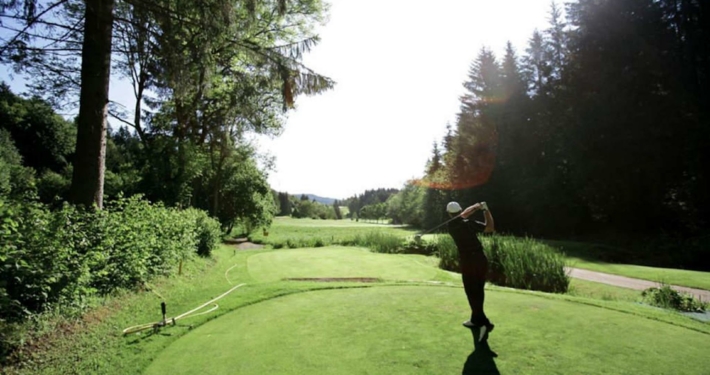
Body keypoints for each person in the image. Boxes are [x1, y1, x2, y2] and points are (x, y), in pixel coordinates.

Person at [446, 201, 495, 342]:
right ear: (460, 210)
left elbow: (464, 213)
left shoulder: (451, 225)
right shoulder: (468, 223)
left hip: (468, 262)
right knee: (478, 290)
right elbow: (490, 228)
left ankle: (483, 322)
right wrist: (485, 209)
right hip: (481, 259)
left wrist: (476, 207)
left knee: (471, 291)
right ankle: (475, 319)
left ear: (449, 213)